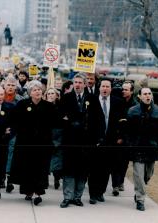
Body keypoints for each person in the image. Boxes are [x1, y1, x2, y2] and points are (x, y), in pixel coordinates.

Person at [10, 80, 56, 206]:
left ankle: (38, 193)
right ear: (30, 93)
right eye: (35, 90)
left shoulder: (49, 106)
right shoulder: (22, 104)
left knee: (40, 168)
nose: (38, 91)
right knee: (27, 168)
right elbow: (15, 120)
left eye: (39, 89)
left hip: (43, 144)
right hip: (26, 143)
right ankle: (28, 191)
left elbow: (54, 122)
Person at [59, 74, 102, 208]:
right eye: (75, 82)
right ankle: (67, 197)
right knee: (69, 170)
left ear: (84, 84)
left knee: (82, 171)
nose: (77, 85)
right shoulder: (66, 98)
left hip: (86, 141)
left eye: (80, 82)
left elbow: (98, 119)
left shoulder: (92, 99)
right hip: (70, 140)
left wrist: (97, 138)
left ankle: (77, 197)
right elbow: (61, 116)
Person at [125, 87, 158, 211]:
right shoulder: (132, 111)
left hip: (151, 148)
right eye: (145, 94)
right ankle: (140, 199)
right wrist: (130, 144)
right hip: (137, 148)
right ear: (140, 96)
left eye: (149, 94)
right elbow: (128, 131)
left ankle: (141, 187)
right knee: (138, 175)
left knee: (148, 174)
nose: (147, 96)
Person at [88, 78, 124, 204]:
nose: (105, 89)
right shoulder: (91, 100)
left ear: (111, 89)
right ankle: (93, 194)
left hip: (110, 141)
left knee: (106, 169)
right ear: (99, 88)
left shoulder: (117, 102)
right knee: (94, 169)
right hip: (95, 141)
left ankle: (100, 192)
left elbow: (121, 122)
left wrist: (119, 137)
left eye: (107, 86)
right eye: (103, 86)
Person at [3, 76, 24, 193]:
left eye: (13, 85)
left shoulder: (21, 100)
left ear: (16, 87)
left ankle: (9, 180)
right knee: (1, 154)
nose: (10, 87)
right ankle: (1, 178)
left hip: (15, 131)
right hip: (1, 131)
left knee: (11, 154)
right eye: (8, 85)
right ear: (4, 86)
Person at [118, 81, 137, 191]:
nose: (123, 91)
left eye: (126, 90)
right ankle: (116, 182)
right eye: (123, 89)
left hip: (127, 137)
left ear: (131, 91)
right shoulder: (119, 101)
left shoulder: (135, 105)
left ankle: (120, 182)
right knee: (116, 160)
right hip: (117, 134)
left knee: (124, 161)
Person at [45, 87, 63, 189]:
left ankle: (57, 178)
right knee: (47, 158)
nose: (50, 95)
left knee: (57, 158)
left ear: (57, 95)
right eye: (49, 94)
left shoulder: (60, 107)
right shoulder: (43, 106)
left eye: (52, 93)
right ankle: (46, 179)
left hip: (58, 134)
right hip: (47, 135)